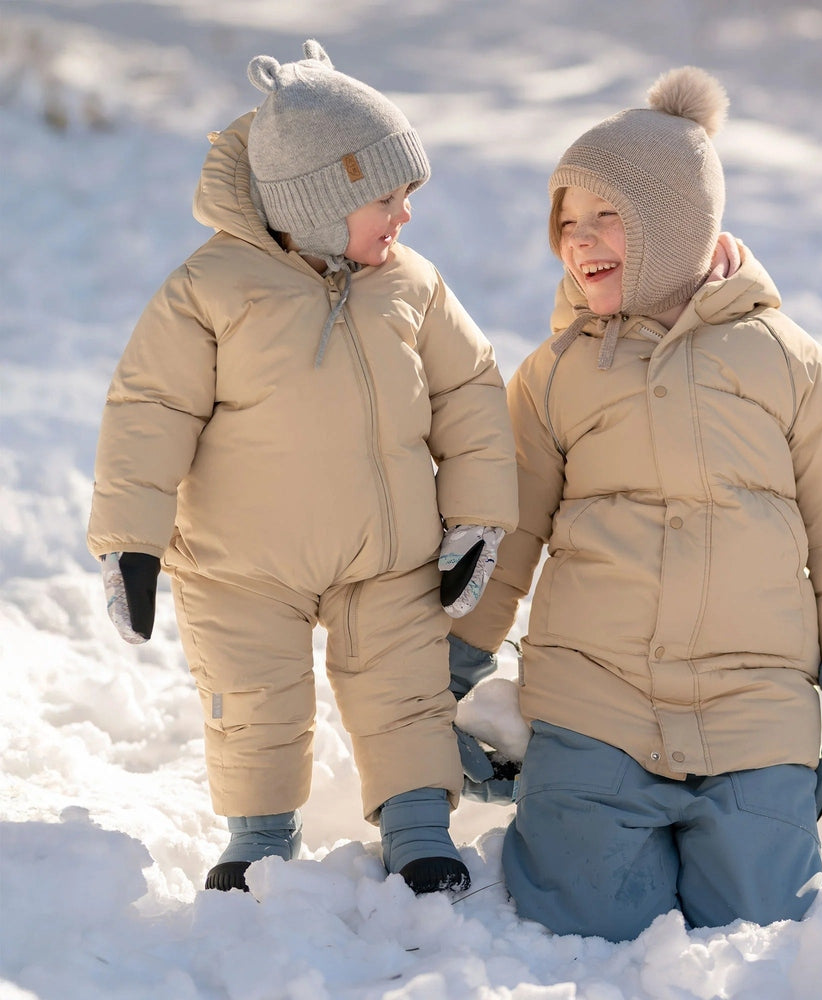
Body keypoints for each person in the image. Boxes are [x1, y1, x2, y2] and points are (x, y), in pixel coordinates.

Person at [449, 66, 822, 940]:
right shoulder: (553, 378)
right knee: (581, 918)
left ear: (678, 222)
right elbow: (503, 540)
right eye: (566, 222)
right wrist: (449, 672)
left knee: (758, 923)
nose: (578, 240)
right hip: (596, 702)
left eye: (607, 216)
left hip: (752, 712)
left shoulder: (793, 368)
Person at [87, 40, 517, 896]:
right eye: (386, 198)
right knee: (254, 701)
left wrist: (476, 516)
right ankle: (256, 836)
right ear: (320, 204)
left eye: (408, 196)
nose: (405, 218)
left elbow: (471, 393)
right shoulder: (208, 291)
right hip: (243, 566)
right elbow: (148, 412)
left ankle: (419, 829)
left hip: (386, 557)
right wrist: (129, 542)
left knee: (403, 692)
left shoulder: (414, 286)